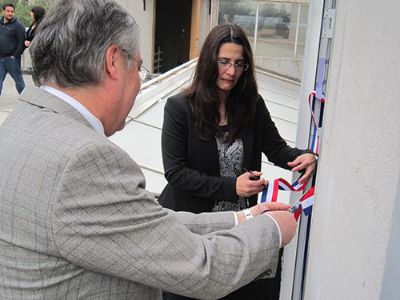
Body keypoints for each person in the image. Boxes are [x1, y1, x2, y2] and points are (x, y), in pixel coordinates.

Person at [0, 1, 298, 299]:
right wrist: (270, 229)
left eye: (239, 64)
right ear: (113, 61)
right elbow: (201, 268)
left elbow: (144, 223)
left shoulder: (22, 123)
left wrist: (243, 218)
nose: (140, 83)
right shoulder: (85, 160)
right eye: (139, 67)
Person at [159, 24, 317, 300]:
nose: (231, 72)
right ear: (209, 60)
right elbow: (175, 173)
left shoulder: (252, 105)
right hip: (196, 229)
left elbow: (277, 149)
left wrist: (306, 156)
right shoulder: (179, 107)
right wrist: (233, 187)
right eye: (224, 62)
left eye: (239, 64)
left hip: (240, 229)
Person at [0, 3, 26, 95]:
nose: (10, 13)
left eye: (12, 11)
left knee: (19, 82)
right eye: (8, 11)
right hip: (0, 58)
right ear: (3, 11)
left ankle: (26, 100)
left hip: (12, 59)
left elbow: (22, 43)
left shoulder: (19, 26)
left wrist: (15, 56)